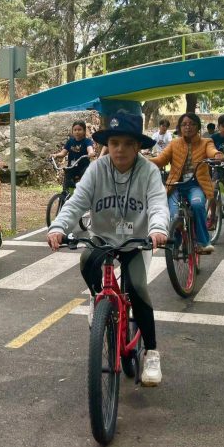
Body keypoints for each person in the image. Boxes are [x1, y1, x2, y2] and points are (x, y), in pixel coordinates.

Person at [46, 111, 169, 386]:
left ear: (138, 146)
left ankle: (151, 352)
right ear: (107, 145)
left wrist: (158, 229)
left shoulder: (148, 171)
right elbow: (77, 202)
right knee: (87, 262)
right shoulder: (97, 169)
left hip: (136, 241)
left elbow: (158, 204)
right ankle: (97, 297)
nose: (120, 149)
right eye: (114, 143)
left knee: (137, 287)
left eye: (127, 143)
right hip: (102, 237)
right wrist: (58, 227)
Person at [149, 112, 223, 254]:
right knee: (173, 215)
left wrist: (217, 155)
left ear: (198, 127)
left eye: (192, 124)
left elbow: (212, 151)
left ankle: (203, 242)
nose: (188, 127)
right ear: (180, 127)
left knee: (197, 205)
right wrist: (141, 161)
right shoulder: (174, 143)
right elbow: (160, 160)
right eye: (184, 124)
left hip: (195, 185)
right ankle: (175, 243)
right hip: (175, 186)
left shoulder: (206, 142)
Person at [49, 120, 95, 190]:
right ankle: (65, 194)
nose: (77, 132)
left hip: (83, 167)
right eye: (75, 130)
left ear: (84, 131)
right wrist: (55, 155)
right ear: (72, 131)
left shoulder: (87, 141)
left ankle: (85, 193)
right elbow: (63, 153)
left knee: (85, 181)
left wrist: (91, 153)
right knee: (67, 183)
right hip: (71, 167)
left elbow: (90, 149)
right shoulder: (70, 141)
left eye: (79, 130)